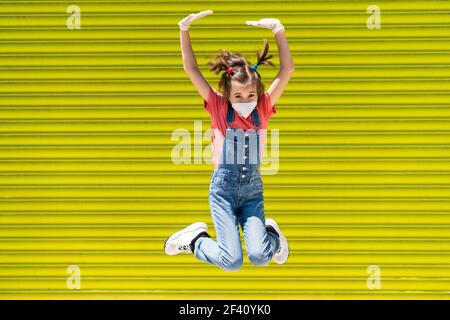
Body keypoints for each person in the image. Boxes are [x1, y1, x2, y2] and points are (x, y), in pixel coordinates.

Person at [164, 10, 295, 272]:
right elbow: (191, 69)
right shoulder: (217, 107)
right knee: (232, 262)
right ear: (228, 95)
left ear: (258, 93)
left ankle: (272, 236)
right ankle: (195, 241)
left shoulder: (264, 107)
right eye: (238, 96)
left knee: (259, 256)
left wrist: (278, 30)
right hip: (223, 192)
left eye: (250, 95)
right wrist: (184, 29)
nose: (245, 101)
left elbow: (287, 69)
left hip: (252, 193)